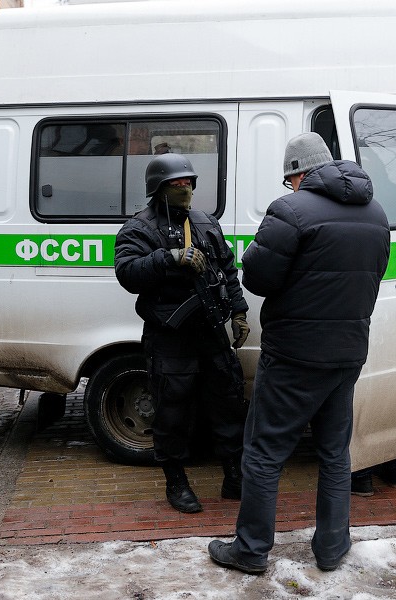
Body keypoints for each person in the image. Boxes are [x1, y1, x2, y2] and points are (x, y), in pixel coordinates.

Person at [208, 133, 390, 574]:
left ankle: (251, 550)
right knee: (334, 452)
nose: (290, 186)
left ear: (298, 173)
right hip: (348, 353)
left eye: (290, 179)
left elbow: (257, 279)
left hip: (293, 356)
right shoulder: (377, 212)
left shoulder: (290, 211)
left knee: (264, 452)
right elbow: (375, 274)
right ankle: (331, 547)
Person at [114, 153, 250, 514]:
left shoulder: (205, 222)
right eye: (177, 184)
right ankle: (176, 481)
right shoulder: (138, 229)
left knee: (229, 404)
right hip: (170, 338)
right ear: (159, 189)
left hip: (211, 333)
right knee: (172, 413)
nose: (185, 188)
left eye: (189, 182)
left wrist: (238, 312)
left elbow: (226, 268)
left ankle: (234, 476)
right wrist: (169, 258)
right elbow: (127, 273)